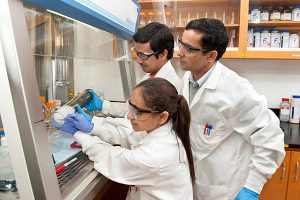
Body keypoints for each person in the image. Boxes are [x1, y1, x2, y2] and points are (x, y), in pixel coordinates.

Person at [177, 18, 285, 200]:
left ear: (211, 56)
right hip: (195, 182)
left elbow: (271, 138)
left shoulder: (235, 90)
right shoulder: (188, 77)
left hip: (225, 188)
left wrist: (252, 187)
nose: (180, 52)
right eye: (181, 44)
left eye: (189, 48)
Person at [62, 78, 194, 200]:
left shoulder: (156, 154)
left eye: (138, 112)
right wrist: (92, 126)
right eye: (131, 107)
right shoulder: (160, 129)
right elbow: (127, 136)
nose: (129, 116)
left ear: (162, 117)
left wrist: (78, 133)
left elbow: (112, 158)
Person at [86, 22, 181, 118]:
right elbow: (132, 108)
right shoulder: (151, 75)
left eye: (143, 55)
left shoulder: (169, 87)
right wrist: (103, 105)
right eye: (137, 53)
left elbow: (137, 124)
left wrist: (95, 124)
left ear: (163, 54)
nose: (138, 60)